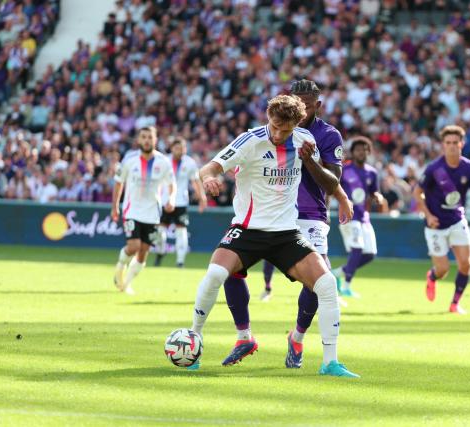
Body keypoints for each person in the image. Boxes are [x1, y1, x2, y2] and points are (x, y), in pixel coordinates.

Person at [188, 94, 359, 378]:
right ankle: (193, 341)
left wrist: (335, 190)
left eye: (286, 129)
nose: (279, 134)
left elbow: (328, 181)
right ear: (268, 118)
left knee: (327, 285)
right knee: (216, 273)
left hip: (286, 234)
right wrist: (208, 178)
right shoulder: (250, 140)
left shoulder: (305, 140)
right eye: (275, 126)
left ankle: (330, 362)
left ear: (297, 124)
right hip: (247, 229)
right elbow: (209, 167)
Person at [413, 125, 470, 315]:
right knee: (443, 269)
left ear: (462, 144)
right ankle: (432, 276)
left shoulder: (469, 168)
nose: (452, 146)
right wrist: (428, 216)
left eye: (455, 142)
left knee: (466, 264)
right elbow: (417, 192)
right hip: (435, 225)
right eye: (448, 143)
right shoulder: (434, 168)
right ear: (442, 145)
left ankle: (455, 304)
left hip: (456, 220)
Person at [112, 126, 176, 294]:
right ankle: (120, 267)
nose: (147, 140)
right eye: (144, 137)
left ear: (155, 140)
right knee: (133, 246)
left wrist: (171, 198)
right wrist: (115, 207)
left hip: (152, 214)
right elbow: (119, 183)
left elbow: (171, 184)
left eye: (150, 137)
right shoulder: (129, 160)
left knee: (142, 254)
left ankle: (126, 284)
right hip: (132, 210)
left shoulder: (163, 162)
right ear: (138, 140)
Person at [332, 136, 388, 298]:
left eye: (364, 150)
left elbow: (373, 192)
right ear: (353, 152)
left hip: (364, 217)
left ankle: (336, 273)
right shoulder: (344, 169)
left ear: (368, 152)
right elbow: (332, 187)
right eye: (358, 150)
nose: (361, 152)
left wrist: (378, 196)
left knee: (370, 254)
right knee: (357, 249)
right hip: (349, 216)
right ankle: (347, 287)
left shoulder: (372, 172)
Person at [153, 137, 207, 268]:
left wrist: (202, 198)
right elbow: (157, 181)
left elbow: (195, 181)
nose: (180, 151)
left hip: (181, 202)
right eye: (177, 148)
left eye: (183, 148)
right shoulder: (164, 161)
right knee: (160, 231)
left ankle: (180, 262)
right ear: (172, 149)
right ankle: (160, 252)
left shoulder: (190, 163)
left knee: (181, 232)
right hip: (164, 201)